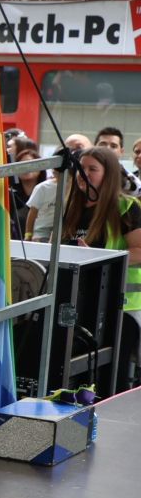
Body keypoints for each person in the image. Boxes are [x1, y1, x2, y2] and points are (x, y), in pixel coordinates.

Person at [59, 146, 141, 389]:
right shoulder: (70, 207)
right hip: (78, 304)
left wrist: (97, 257)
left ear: (109, 174)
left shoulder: (127, 207)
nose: (84, 174)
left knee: (109, 379)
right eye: (80, 168)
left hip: (121, 308)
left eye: (92, 169)